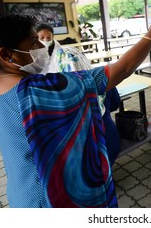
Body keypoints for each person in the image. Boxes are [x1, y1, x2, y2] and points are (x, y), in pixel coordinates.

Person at [0, 10, 151, 208]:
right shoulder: (45, 90)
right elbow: (121, 70)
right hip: (57, 200)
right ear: (7, 55)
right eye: (33, 42)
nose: (41, 46)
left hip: (23, 197)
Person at [36, 23, 121, 164]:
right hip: (108, 140)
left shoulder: (63, 95)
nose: (45, 40)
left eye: (48, 37)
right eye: (41, 38)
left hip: (86, 151)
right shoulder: (101, 80)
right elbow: (114, 105)